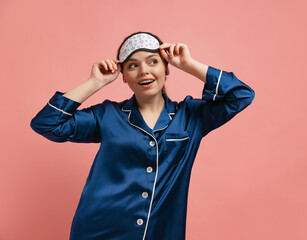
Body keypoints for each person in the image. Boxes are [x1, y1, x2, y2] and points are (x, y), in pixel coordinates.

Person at [30, 31, 255, 240]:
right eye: (133, 65)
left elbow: (241, 95)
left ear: (167, 69)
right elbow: (47, 123)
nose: (144, 71)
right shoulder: (107, 115)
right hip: (98, 230)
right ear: (124, 76)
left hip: (161, 232)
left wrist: (188, 64)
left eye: (153, 61)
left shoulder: (191, 116)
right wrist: (95, 82)